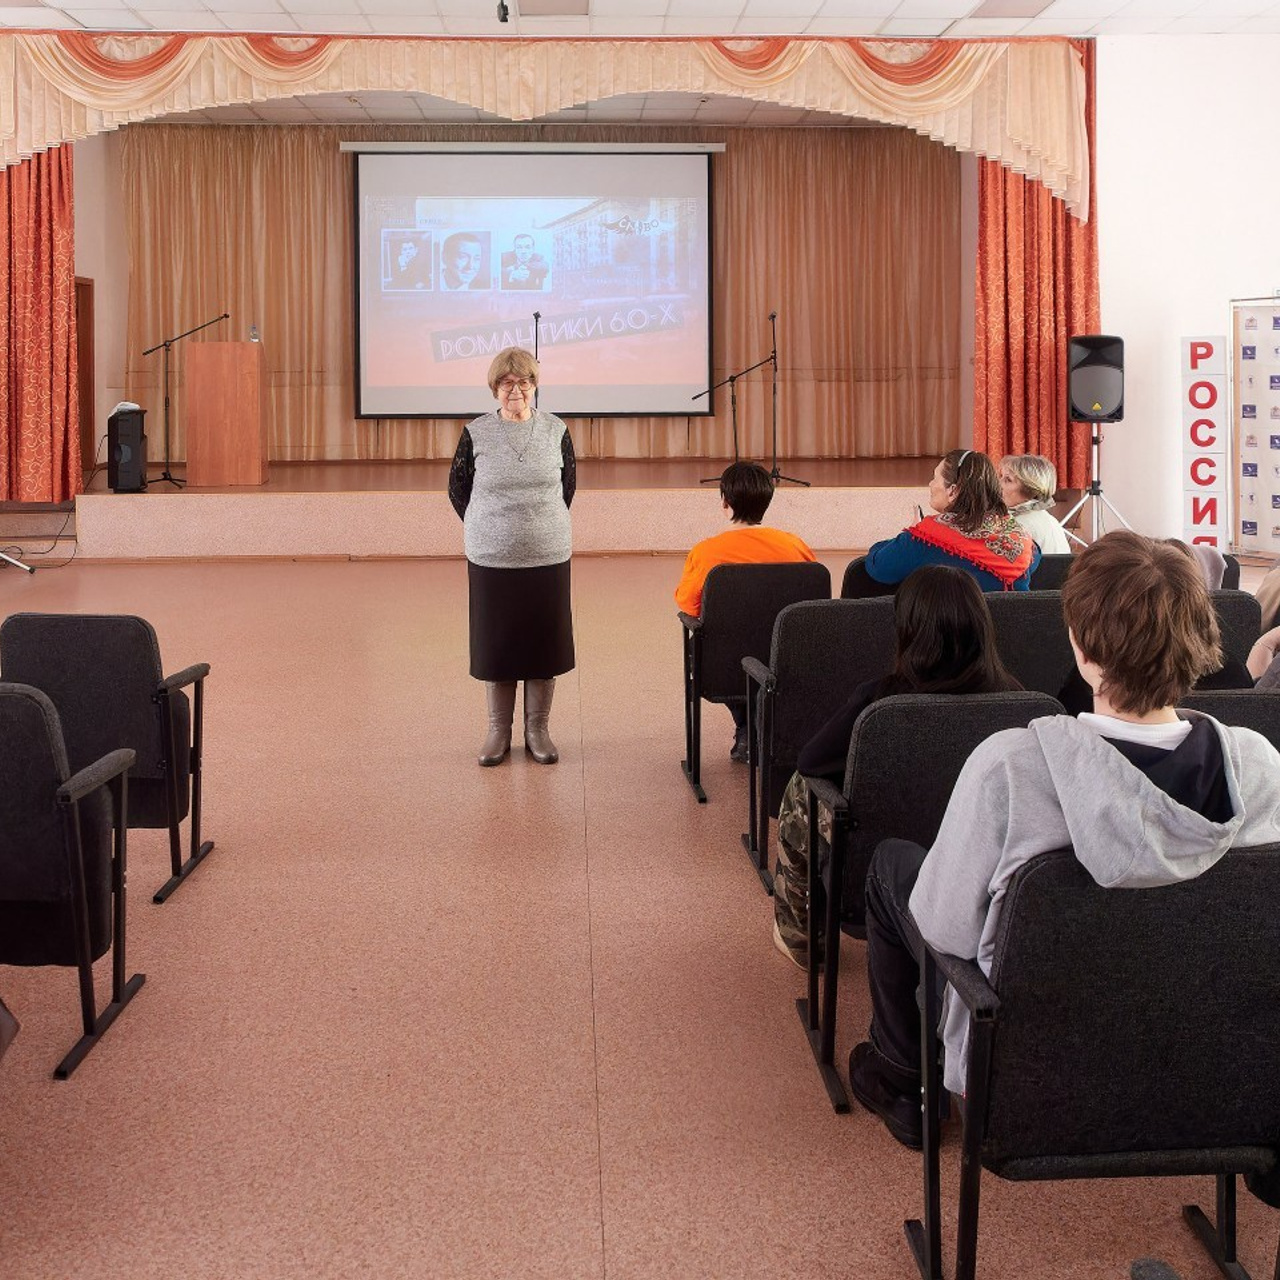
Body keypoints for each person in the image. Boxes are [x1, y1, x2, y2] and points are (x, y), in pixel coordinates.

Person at [848, 531, 1280, 1150]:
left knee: (892, 866)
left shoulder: (1010, 767)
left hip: (1025, 1082)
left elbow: (945, 933)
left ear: (1081, 647)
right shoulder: (1260, 768)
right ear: (1203, 640)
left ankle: (903, 1078)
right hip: (1219, 1074)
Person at [771, 566, 1021, 968]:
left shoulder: (880, 703)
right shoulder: (1017, 700)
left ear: (907, 630)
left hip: (880, 874)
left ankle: (801, 935)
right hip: (978, 881)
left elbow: (811, 761)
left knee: (803, 788)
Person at [449, 347, 575, 766]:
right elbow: (458, 491)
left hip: (547, 556)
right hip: (492, 559)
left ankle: (538, 730)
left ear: (534, 385)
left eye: (523, 382)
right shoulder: (476, 433)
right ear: (494, 388)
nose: (515, 390)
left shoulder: (556, 430)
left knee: (543, 644)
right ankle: (497, 731)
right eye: (506, 383)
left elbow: (567, 488)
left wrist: (537, 525)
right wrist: (492, 526)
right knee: (497, 646)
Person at [674, 461, 815, 761]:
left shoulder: (706, 552)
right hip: (787, 652)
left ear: (725, 502)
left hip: (728, 662)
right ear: (766, 502)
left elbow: (688, 607)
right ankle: (767, 729)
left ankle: (746, 729)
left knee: (706, 644)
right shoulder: (796, 546)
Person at [859, 449, 1038, 593]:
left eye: (934, 478)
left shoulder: (926, 539)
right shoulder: (1019, 538)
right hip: (1014, 628)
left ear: (953, 490)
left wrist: (912, 533)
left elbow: (878, 566)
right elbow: (1034, 558)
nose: (930, 484)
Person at [998, 453, 1071, 554]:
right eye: (1001, 477)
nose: (999, 483)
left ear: (1029, 490)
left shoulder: (1020, 525)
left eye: (1008, 480)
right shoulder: (1046, 518)